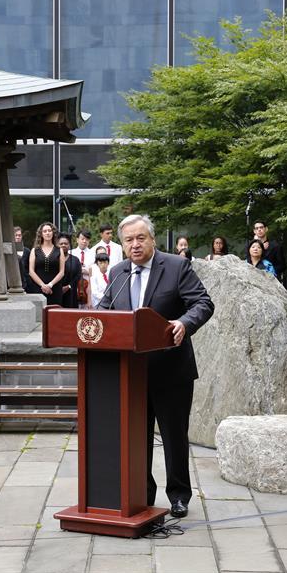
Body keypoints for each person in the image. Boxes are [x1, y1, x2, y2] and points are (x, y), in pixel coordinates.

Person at [98, 214, 214, 518]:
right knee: (137, 437)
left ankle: (179, 495)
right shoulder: (118, 272)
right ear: (122, 245)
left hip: (171, 370)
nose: (135, 245)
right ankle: (142, 494)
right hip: (131, 373)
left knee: (174, 436)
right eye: (129, 240)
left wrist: (184, 323)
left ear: (152, 239)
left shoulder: (176, 266)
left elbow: (203, 303)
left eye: (141, 238)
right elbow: (105, 310)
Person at [29, 222, 65, 305]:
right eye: (45, 231)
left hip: (54, 289)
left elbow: (62, 272)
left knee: (54, 311)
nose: (47, 233)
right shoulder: (34, 250)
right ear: (41, 234)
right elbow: (31, 271)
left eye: (49, 230)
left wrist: (50, 285)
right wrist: (43, 285)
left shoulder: (59, 250)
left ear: (53, 233)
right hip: (38, 288)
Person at [58, 234, 82, 309]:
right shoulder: (54, 259)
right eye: (61, 244)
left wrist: (69, 286)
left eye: (66, 243)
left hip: (71, 293)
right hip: (56, 292)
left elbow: (78, 275)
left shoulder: (75, 260)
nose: (63, 245)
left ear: (69, 245)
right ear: (57, 245)